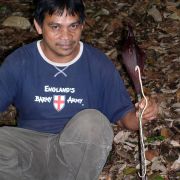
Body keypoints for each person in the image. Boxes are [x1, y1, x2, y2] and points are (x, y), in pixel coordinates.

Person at [0, 0, 159, 180]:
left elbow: (125, 120)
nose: (66, 36)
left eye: (73, 26)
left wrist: (141, 115)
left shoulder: (98, 64)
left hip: (76, 154)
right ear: (38, 26)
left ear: (82, 25)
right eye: (55, 27)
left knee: (94, 122)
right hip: (29, 149)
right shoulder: (19, 62)